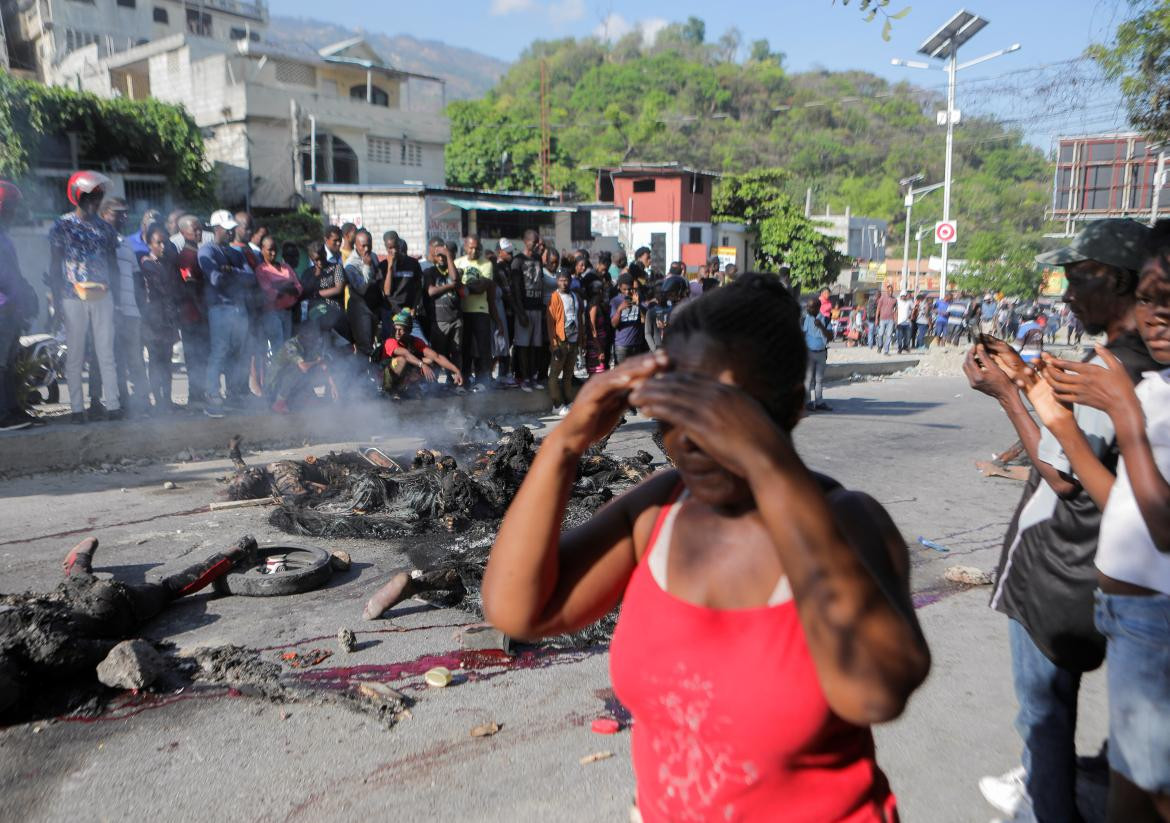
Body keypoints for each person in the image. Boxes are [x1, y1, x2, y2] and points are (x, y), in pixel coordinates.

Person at [482, 273, 930, 823]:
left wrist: (768, 463)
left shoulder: (847, 523)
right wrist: (565, 442)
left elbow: (874, 694)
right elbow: (518, 609)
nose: (690, 437)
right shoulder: (660, 512)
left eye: (719, 409)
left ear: (790, 408)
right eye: (674, 409)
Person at [963, 218, 1158, 823]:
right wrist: (1028, 384)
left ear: (1119, 282)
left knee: (1043, 726)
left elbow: (1061, 472)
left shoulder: (1113, 369)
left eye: (1078, 280)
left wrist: (1007, 395)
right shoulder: (1150, 363)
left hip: (1058, 578)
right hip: (1099, 573)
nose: (1067, 295)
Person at [1023, 228, 1170, 822]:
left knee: (1144, 798)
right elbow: (1124, 504)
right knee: (1132, 788)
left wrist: (1123, 413)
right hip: (1129, 615)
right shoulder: (1156, 386)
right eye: (1153, 298)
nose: (1156, 314)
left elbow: (1160, 528)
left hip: (1154, 623)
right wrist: (1054, 417)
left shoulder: (1137, 390)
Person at [0, 535, 260, 717]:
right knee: (79, 577)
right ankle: (80, 554)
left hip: (114, 606)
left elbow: (118, 649)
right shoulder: (8, 632)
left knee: (168, 589)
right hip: (63, 602)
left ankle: (231, 554)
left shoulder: (54, 654)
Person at [48, 171, 121, 423]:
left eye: (99, 196)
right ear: (77, 195)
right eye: (91, 195)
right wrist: (56, 301)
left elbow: (114, 265)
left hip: (103, 295)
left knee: (105, 352)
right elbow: (54, 265)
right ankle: (77, 409)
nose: (96, 200)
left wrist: (118, 298)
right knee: (76, 353)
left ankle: (113, 406)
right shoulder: (62, 225)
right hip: (72, 296)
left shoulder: (106, 229)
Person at [199, 210, 255, 418]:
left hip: (238, 309)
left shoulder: (236, 253)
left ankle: (233, 394)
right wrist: (234, 275)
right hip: (220, 309)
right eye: (228, 229)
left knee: (238, 353)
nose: (232, 233)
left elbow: (251, 277)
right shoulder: (206, 251)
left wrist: (231, 272)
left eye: (233, 229)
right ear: (216, 229)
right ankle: (212, 394)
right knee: (220, 351)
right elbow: (215, 279)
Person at [0, 181, 41, 431]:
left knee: (12, 361)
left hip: (11, 308)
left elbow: (12, 272)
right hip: (2, 308)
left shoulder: (4, 235)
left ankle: (14, 409)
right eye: (11, 206)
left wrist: (26, 291)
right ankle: (2, 414)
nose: (15, 212)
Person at [137, 225, 181, 411]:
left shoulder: (167, 265)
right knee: (156, 361)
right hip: (152, 320)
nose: (163, 246)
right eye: (158, 243)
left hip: (167, 318)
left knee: (167, 360)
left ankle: (167, 400)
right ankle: (158, 401)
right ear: (149, 244)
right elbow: (162, 289)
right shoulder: (147, 264)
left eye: (165, 242)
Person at [266, 308, 337, 414]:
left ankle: (302, 397)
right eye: (312, 335)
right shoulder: (291, 345)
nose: (315, 338)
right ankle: (279, 403)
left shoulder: (310, 344)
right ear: (303, 335)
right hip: (274, 386)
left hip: (292, 385)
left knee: (315, 368)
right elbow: (303, 367)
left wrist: (333, 385)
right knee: (298, 368)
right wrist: (319, 362)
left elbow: (323, 365)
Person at [378, 310, 463, 397]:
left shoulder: (415, 341)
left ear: (409, 330)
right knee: (403, 360)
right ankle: (388, 391)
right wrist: (422, 364)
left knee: (429, 360)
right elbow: (405, 354)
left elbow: (436, 356)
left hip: (402, 375)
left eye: (401, 330)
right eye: (395, 329)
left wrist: (456, 370)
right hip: (384, 377)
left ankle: (407, 388)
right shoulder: (390, 341)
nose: (397, 333)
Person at [456, 236, 502, 391]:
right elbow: (455, 285)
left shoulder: (487, 264)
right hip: (462, 311)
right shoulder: (458, 262)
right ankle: (465, 379)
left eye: (476, 248)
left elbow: (482, 286)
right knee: (465, 348)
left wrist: (465, 288)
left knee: (483, 348)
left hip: (481, 311)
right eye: (470, 247)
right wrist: (465, 287)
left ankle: (483, 381)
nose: (473, 250)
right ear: (465, 246)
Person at [174, 215, 210, 407]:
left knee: (203, 356)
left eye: (199, 228)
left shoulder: (200, 252)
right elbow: (190, 286)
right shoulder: (186, 256)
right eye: (193, 229)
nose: (198, 232)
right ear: (183, 232)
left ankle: (201, 392)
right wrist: (202, 310)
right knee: (195, 357)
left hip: (200, 314)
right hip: (192, 315)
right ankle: (195, 396)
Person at [422, 238, 463, 385]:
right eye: (438, 255)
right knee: (439, 353)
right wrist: (451, 286)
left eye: (444, 255)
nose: (441, 258)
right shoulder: (429, 272)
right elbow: (431, 291)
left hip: (455, 318)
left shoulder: (456, 270)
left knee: (456, 351)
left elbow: (455, 278)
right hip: (439, 319)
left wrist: (448, 256)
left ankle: (457, 380)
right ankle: (441, 382)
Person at [511, 230, 547, 391]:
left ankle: (533, 376)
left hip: (537, 308)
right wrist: (520, 312)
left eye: (538, 241)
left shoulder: (538, 258)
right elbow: (515, 290)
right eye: (534, 241)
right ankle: (524, 378)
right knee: (524, 346)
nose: (538, 244)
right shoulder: (517, 261)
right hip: (524, 309)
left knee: (535, 345)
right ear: (526, 241)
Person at [255, 235, 302, 357]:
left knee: (287, 346)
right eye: (270, 249)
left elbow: (298, 288)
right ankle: (277, 375)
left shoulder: (286, 267)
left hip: (287, 312)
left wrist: (279, 285)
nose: (273, 253)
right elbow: (269, 292)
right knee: (278, 347)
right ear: (262, 249)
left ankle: (283, 375)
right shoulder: (262, 269)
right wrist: (287, 286)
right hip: (272, 313)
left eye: (275, 249)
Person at [546, 268, 581, 416]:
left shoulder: (574, 296)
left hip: (573, 341)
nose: (564, 283)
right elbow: (550, 323)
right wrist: (554, 344)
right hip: (560, 341)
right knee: (554, 374)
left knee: (568, 374)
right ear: (557, 281)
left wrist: (581, 340)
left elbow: (580, 318)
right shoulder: (554, 297)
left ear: (570, 281)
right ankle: (557, 404)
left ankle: (569, 401)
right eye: (561, 280)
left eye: (566, 280)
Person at [343, 228, 381, 359]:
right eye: (363, 245)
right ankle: (360, 378)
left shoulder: (373, 256)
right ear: (356, 245)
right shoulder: (350, 265)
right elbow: (361, 289)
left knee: (372, 344)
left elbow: (378, 279)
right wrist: (366, 267)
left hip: (374, 307)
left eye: (369, 245)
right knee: (364, 347)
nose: (366, 248)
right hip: (360, 309)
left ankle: (370, 375)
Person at [802, 296, 833, 411]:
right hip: (809, 353)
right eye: (808, 306)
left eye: (810, 307)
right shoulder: (806, 319)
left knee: (819, 379)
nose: (808, 308)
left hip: (821, 353)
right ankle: (808, 402)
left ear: (818, 307)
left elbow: (830, 337)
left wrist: (821, 326)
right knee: (808, 379)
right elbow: (803, 335)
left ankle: (819, 401)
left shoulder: (825, 320)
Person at [610, 274, 647, 365]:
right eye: (624, 289)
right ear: (619, 287)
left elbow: (645, 320)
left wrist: (638, 304)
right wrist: (619, 310)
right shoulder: (615, 301)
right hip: (622, 346)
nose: (627, 292)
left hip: (636, 344)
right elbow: (613, 324)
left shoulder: (639, 298)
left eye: (630, 289)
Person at [584, 279, 610, 374]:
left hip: (599, 344)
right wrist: (599, 349)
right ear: (600, 291)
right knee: (597, 373)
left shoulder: (599, 305)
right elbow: (592, 329)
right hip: (595, 346)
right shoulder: (593, 307)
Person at [874, 283, 897, 355]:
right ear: (887, 290)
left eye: (891, 290)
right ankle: (880, 346)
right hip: (882, 319)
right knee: (880, 334)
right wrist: (876, 319)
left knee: (889, 335)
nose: (890, 292)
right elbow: (878, 309)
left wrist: (895, 320)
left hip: (890, 320)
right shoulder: (882, 298)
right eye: (889, 290)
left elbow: (895, 310)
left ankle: (886, 350)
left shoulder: (894, 300)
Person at [895, 289, 913, 354]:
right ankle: (899, 348)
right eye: (902, 296)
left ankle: (906, 347)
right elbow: (895, 311)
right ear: (900, 296)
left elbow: (913, 309)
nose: (903, 297)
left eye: (904, 296)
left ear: (906, 296)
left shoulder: (909, 302)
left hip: (907, 322)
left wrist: (911, 316)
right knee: (899, 336)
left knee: (908, 336)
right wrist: (896, 321)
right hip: (899, 322)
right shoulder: (898, 301)